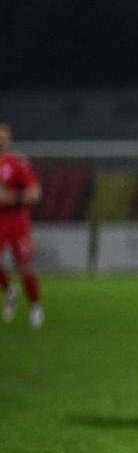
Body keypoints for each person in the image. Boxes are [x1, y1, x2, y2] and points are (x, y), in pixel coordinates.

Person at [0, 122, 44, 328]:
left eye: (2, 136)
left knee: (24, 266)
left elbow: (35, 193)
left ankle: (35, 306)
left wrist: (11, 198)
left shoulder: (18, 163)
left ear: (8, 139)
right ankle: (10, 289)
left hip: (17, 219)